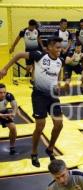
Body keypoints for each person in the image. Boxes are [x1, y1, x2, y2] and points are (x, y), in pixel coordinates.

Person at [0, 37, 64, 167]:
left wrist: (58, 84)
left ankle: (50, 148)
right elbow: (18, 55)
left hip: (52, 96)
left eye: (60, 47)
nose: (60, 49)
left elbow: (57, 75)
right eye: (57, 47)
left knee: (59, 125)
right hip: (39, 96)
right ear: (50, 47)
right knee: (40, 125)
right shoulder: (39, 55)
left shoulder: (59, 61)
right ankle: (34, 153)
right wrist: (5, 68)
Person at [0, 84, 18, 155]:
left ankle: (12, 147)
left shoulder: (9, 95)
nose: (3, 94)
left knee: (13, 128)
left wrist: (13, 114)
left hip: (4, 112)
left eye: (4, 92)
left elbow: (15, 106)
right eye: (0, 93)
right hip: (2, 114)